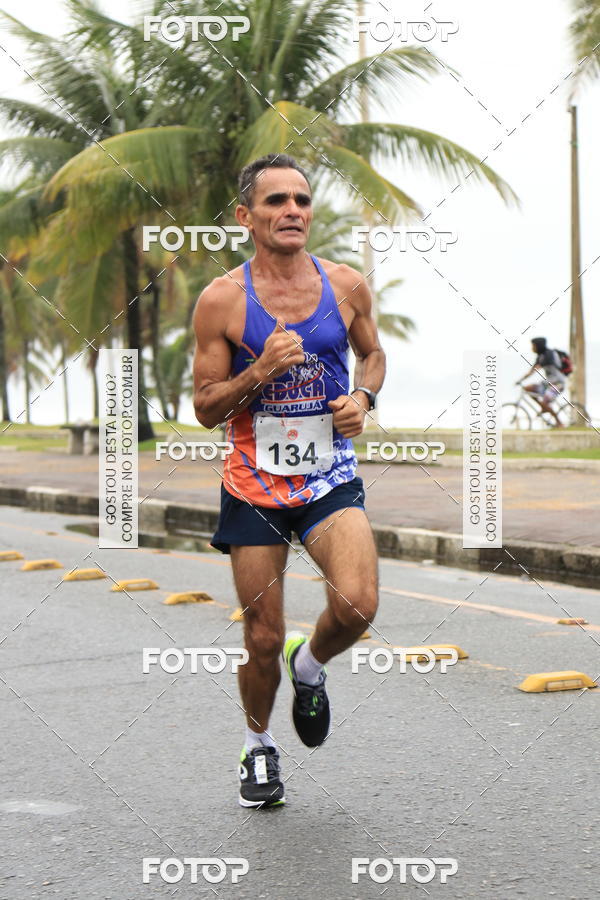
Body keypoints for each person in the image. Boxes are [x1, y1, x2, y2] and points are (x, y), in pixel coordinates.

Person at [192, 153, 385, 807]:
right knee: (262, 635)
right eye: (276, 201)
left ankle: (311, 667)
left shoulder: (345, 285)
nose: (293, 211)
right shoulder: (222, 299)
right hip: (254, 482)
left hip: (329, 475)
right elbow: (206, 406)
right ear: (247, 216)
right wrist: (258, 372)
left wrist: (364, 399)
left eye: (301, 200)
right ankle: (258, 747)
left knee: (359, 604)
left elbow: (374, 354)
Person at [516, 337, 567, 427]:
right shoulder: (541, 356)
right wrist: (520, 380)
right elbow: (531, 371)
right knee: (527, 389)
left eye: (533, 346)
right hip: (548, 383)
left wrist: (533, 370)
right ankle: (544, 408)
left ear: (538, 346)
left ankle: (559, 422)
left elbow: (537, 367)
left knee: (544, 402)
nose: (532, 348)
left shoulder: (549, 354)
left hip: (558, 383)